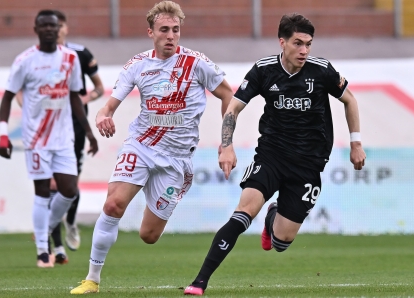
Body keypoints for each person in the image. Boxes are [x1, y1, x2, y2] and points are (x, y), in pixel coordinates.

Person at [183, 13, 366, 295]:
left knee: (282, 241)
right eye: (297, 43)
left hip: (309, 163)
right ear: (282, 42)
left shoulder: (321, 70)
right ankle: (199, 281)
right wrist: (227, 145)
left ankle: (273, 216)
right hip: (271, 156)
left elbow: (349, 100)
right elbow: (233, 107)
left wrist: (355, 143)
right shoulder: (264, 70)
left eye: (308, 43)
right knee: (242, 214)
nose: (304, 50)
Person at [70, 0, 233, 294]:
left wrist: (226, 143)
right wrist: (103, 116)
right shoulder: (137, 65)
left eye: (176, 30)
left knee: (148, 235)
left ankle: (153, 202)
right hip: (141, 146)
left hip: (176, 159)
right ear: (151, 32)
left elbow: (227, 95)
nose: (171, 36)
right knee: (113, 204)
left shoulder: (196, 63)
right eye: (164, 30)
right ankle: (92, 279)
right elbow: (108, 106)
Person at [0, 9, 98, 268]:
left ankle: (43, 230)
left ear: (60, 28)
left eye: (53, 25)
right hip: (37, 139)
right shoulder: (25, 60)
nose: (49, 30)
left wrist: (88, 132)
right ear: (36, 30)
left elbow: (75, 96)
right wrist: (4, 134)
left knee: (69, 190)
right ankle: (43, 249)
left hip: (64, 137)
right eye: (44, 26)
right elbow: (7, 97)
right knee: (42, 192)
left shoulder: (70, 59)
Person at [48, 9, 105, 263]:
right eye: (50, 25)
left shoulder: (80, 54)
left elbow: (99, 88)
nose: (55, 30)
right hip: (48, 129)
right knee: (50, 184)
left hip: (75, 127)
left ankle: (70, 222)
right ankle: (52, 245)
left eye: (59, 25)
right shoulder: (35, 59)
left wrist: (83, 99)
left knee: (69, 185)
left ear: (65, 28)